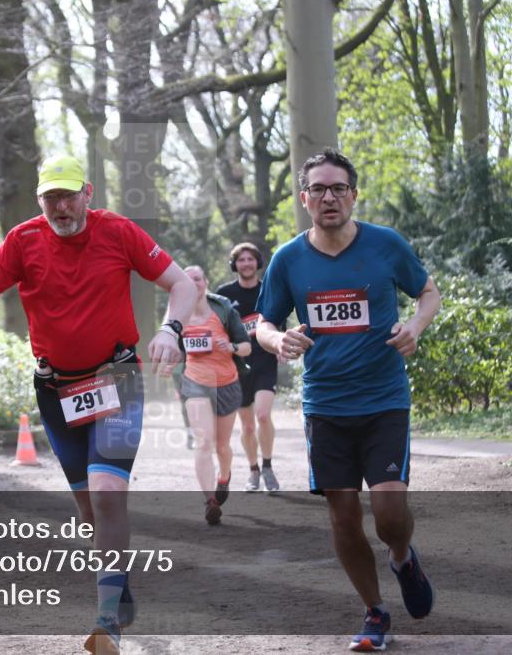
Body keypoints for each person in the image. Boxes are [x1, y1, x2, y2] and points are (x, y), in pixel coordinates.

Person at [0, 154, 195, 655]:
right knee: (90, 509)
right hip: (57, 390)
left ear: (87, 192)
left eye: (68, 195)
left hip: (116, 379)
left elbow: (180, 283)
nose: (60, 207)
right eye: (50, 198)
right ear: (38, 199)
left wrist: (172, 329)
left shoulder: (118, 232)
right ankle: (119, 581)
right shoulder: (22, 241)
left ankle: (106, 619)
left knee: (109, 494)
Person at [255, 149, 441, 652]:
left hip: (383, 398)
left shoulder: (385, 245)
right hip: (325, 405)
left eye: (338, 188)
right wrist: (278, 341)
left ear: (354, 195)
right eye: (318, 189)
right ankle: (375, 612)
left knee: (388, 513)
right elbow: (264, 323)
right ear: (304, 199)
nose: (329, 197)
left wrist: (415, 328)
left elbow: (428, 292)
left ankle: (402, 556)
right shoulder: (288, 259)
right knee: (342, 514)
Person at [173, 265, 251, 525]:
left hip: (227, 382)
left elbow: (247, 348)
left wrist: (230, 346)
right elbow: (175, 351)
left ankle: (224, 477)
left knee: (221, 446)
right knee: (203, 441)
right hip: (195, 382)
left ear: (205, 282)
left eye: (197, 278)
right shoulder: (177, 314)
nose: (192, 282)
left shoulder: (224, 309)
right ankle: (210, 501)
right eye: (187, 279)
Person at [216, 242, 281, 493]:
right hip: (237, 367)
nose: (246, 263)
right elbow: (217, 328)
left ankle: (267, 466)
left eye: (250, 259)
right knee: (248, 425)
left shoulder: (269, 290)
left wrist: (280, 346)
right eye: (241, 260)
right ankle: (253, 470)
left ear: (257, 263)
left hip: (265, 360)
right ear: (235, 264)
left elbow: (278, 321)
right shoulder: (224, 294)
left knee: (263, 415)